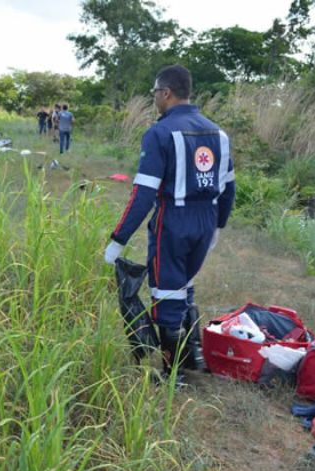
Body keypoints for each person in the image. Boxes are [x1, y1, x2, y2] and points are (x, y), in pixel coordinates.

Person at [103, 65, 236, 385]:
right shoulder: (218, 133)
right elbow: (229, 186)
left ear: (166, 93)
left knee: (165, 293)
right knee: (183, 286)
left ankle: (171, 372)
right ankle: (192, 357)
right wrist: (218, 224)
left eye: (155, 93)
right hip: (206, 219)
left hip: (173, 220)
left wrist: (118, 239)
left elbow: (144, 194)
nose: (154, 100)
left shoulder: (160, 133)